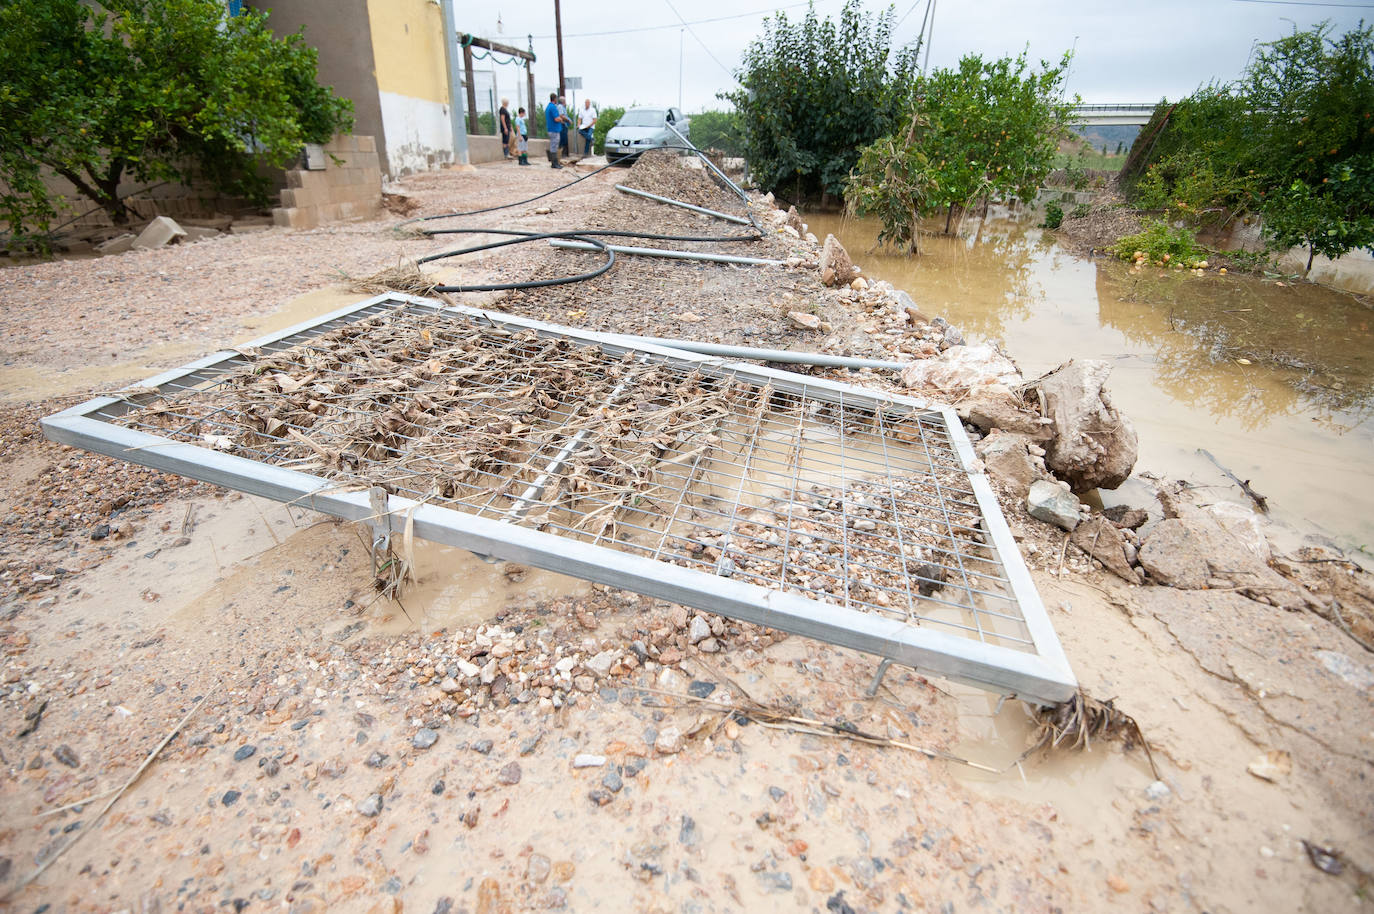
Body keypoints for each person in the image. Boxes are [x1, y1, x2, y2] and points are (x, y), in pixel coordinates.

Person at [544, 92, 563, 169]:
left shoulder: (548, 107)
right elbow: (556, 118)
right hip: (554, 130)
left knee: (553, 145)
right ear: (555, 99)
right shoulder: (553, 107)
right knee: (554, 146)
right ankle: (555, 163)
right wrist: (561, 119)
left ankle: (554, 162)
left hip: (550, 129)